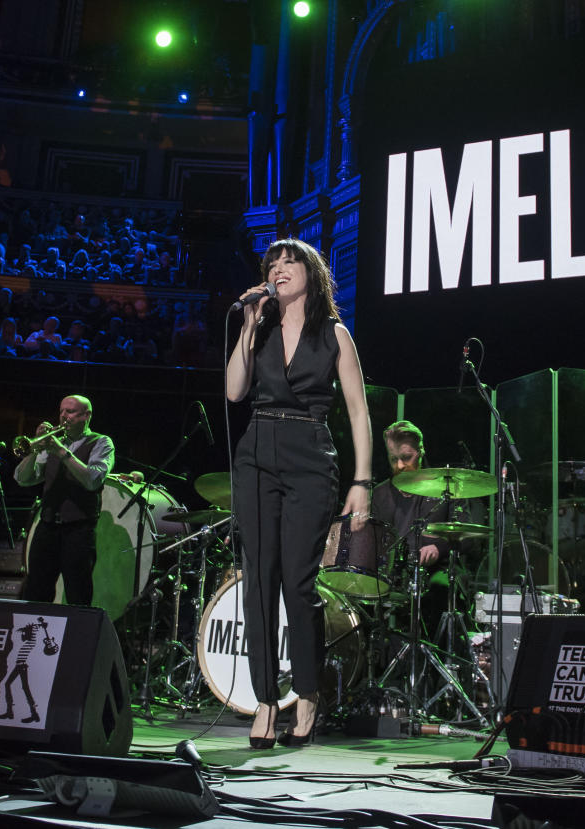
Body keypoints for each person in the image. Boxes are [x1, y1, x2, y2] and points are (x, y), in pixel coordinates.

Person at [226, 238, 372, 750]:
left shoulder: (334, 335)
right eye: (273, 262)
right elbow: (234, 392)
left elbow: (358, 412)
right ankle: (266, 700)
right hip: (256, 454)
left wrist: (362, 482)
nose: (280, 268)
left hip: (310, 456)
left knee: (297, 582)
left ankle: (306, 695)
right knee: (258, 582)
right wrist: (248, 324)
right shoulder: (259, 328)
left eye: (290, 261)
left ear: (312, 271)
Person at [13, 395, 115, 607]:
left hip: (78, 529)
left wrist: (60, 450)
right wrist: (34, 449)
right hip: (47, 526)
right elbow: (22, 479)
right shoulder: (52, 444)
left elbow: (93, 480)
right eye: (61, 411)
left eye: (70, 412)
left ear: (86, 416)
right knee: (36, 591)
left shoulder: (101, 442)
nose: (63, 417)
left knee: (77, 592)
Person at [370, 420, 466, 638]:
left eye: (406, 457)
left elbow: (466, 536)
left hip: (437, 570)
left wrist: (438, 547)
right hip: (393, 574)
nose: (400, 465)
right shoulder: (380, 494)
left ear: (421, 452)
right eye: (393, 459)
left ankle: (439, 660)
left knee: (440, 590)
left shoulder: (445, 487)